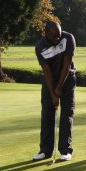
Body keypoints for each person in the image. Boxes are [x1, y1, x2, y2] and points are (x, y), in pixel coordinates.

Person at [33, 21, 76, 162]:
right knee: (47, 113)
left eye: (59, 36)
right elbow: (47, 71)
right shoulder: (40, 46)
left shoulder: (68, 38)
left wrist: (59, 89)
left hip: (67, 78)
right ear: (46, 34)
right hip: (49, 81)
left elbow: (67, 64)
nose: (58, 39)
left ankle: (65, 150)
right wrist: (53, 94)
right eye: (54, 37)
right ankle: (45, 151)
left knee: (67, 113)